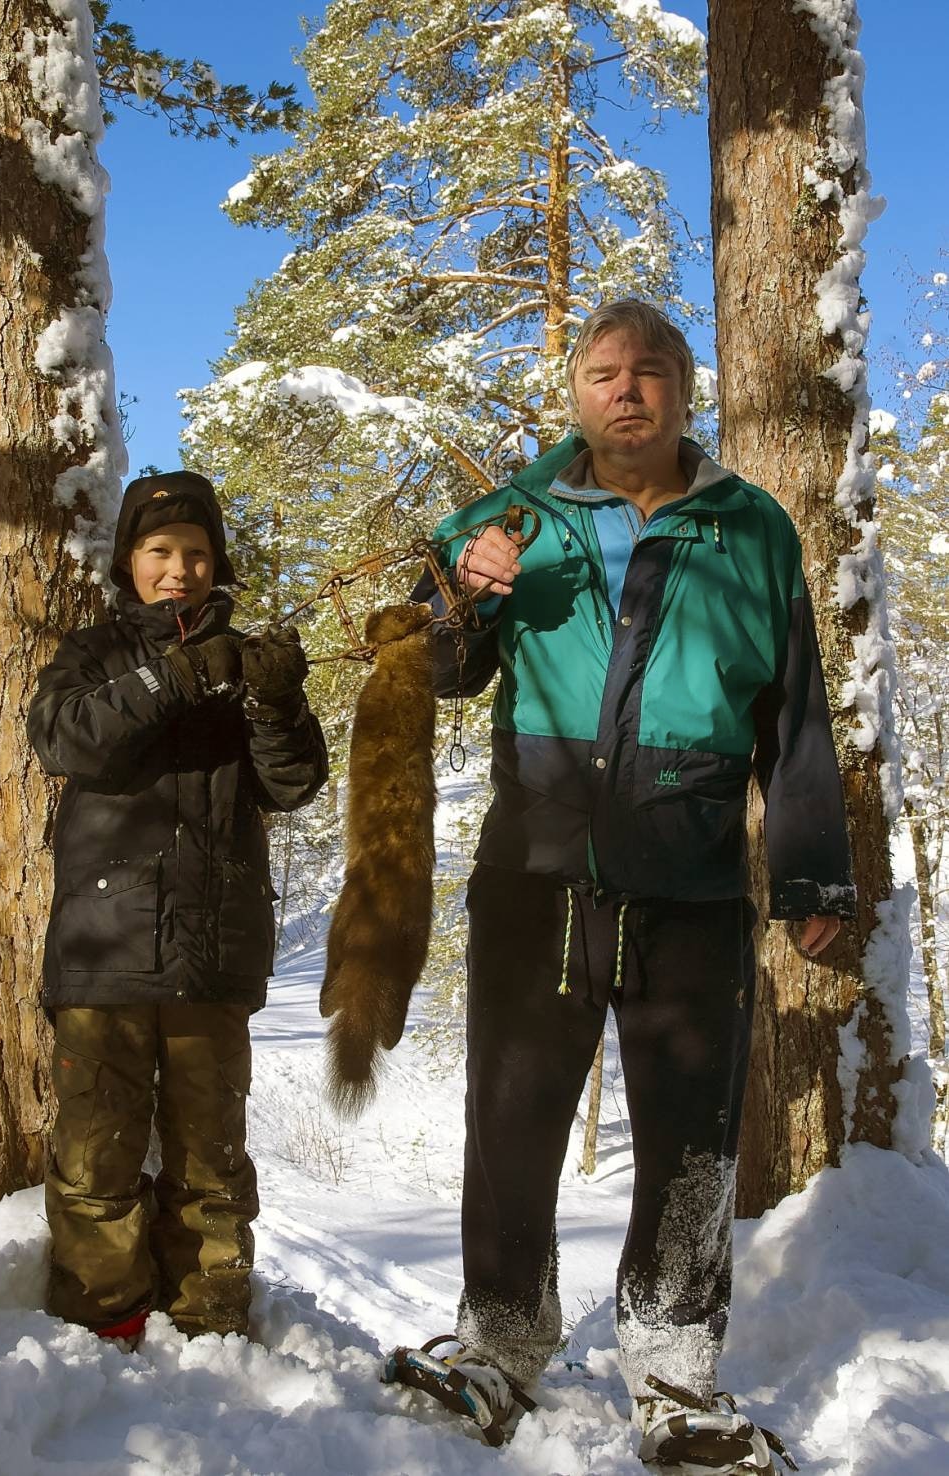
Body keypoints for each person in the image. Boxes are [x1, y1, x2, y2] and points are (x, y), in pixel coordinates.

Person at [404, 301, 854, 1467]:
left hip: (690, 874)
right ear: (573, 392)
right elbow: (435, 667)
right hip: (536, 870)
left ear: (680, 390)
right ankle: (498, 1347)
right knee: (510, 1120)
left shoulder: (748, 526)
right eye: (602, 373)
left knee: (687, 1133)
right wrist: (462, 592)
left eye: (647, 372)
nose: (624, 391)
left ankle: (674, 1370)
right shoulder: (507, 514)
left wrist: (809, 870)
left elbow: (793, 710)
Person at [28, 470, 328, 1344]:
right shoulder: (93, 654)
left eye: (197, 554)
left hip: (213, 951)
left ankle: (210, 1328)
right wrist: (175, 676)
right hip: (105, 948)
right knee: (96, 1153)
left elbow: (295, 783)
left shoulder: (245, 663)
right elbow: (64, 738)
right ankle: (100, 1325)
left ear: (216, 562)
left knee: (211, 1160)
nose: (180, 570)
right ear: (130, 560)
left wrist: (274, 702)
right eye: (160, 552)